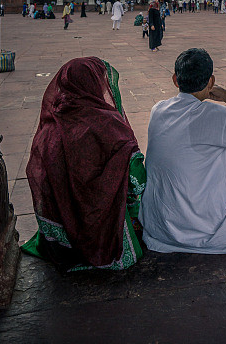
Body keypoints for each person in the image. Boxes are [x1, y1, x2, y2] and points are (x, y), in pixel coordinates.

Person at [139, 48, 226, 254]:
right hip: (202, 228)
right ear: (211, 81)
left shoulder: (158, 109)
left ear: (175, 80)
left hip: (160, 225)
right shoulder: (214, 115)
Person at [22, 57, 146, 271]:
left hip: (60, 224)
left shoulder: (53, 122)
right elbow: (136, 177)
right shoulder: (108, 125)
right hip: (100, 223)